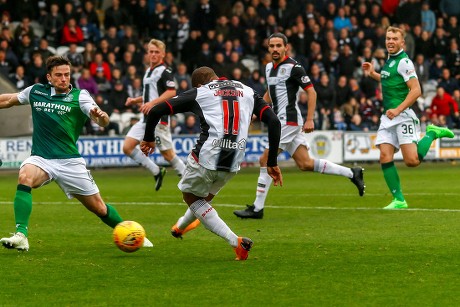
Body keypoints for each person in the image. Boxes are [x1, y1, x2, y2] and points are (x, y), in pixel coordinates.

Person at [0, 56, 152, 251]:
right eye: (59, 75)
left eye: (67, 74)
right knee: (25, 177)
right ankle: (21, 235)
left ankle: (132, 234)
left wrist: (102, 119)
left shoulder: (80, 96)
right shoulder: (36, 91)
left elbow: (98, 118)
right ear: (49, 77)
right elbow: (8, 100)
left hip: (69, 162)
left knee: (99, 208)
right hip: (41, 158)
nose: (64, 78)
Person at [140, 66, 282, 260]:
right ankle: (181, 226)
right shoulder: (248, 91)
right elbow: (274, 121)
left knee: (191, 197)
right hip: (234, 160)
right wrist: (272, 161)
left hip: (206, 157)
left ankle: (235, 241)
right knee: (203, 199)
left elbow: (157, 110)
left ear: (199, 83)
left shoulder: (201, 92)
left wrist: (148, 138)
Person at [234, 33, 365, 219]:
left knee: (265, 160)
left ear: (286, 47)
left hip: (288, 120)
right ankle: (352, 173)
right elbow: (270, 93)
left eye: (279, 45)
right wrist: (258, 110)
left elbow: (311, 93)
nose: (275, 49)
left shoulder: (294, 67)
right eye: (271, 46)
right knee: (305, 163)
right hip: (281, 120)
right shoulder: (268, 67)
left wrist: (310, 118)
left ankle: (257, 208)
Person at [362, 26, 455, 209]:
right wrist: (373, 74)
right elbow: (390, 80)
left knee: (412, 161)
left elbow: (417, 90)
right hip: (388, 116)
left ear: (402, 42)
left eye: (394, 39)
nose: (390, 41)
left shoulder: (405, 62)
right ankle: (399, 200)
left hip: (402, 115)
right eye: (388, 38)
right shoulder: (390, 61)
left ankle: (431, 133)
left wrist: (397, 109)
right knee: (384, 155)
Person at [124, 39, 186, 190]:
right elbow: (149, 95)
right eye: (151, 51)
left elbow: (171, 92)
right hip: (145, 119)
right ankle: (157, 171)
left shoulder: (165, 71)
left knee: (168, 154)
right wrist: (135, 100)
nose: (153, 54)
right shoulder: (148, 71)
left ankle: (188, 178)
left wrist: (152, 104)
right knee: (128, 147)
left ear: (163, 54)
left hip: (159, 118)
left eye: (156, 52)